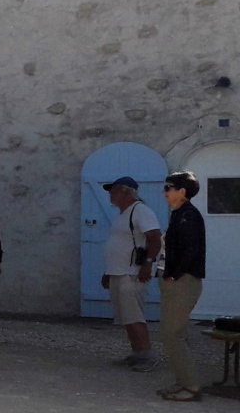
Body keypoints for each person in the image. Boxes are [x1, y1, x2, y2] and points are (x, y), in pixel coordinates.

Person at [99, 176, 162, 373]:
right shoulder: (123, 214)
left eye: (114, 190)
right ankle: (137, 354)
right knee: (126, 316)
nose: (111, 194)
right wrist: (108, 272)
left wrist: (148, 264)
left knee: (134, 315)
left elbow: (155, 239)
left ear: (127, 192)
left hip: (132, 272)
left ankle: (147, 356)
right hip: (119, 271)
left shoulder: (140, 211)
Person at [157, 171, 207, 403]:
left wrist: (174, 276)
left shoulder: (188, 215)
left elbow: (190, 250)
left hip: (183, 282)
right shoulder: (180, 214)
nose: (165, 192)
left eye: (169, 187)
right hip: (177, 282)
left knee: (173, 334)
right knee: (171, 334)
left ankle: (191, 386)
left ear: (182, 192)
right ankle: (182, 382)